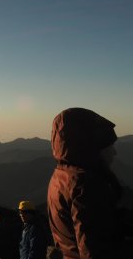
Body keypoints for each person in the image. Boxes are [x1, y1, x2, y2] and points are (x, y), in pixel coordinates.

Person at [47, 108, 123, 259]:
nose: (115, 152)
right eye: (109, 146)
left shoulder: (61, 176)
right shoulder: (86, 186)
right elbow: (95, 250)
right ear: (93, 148)